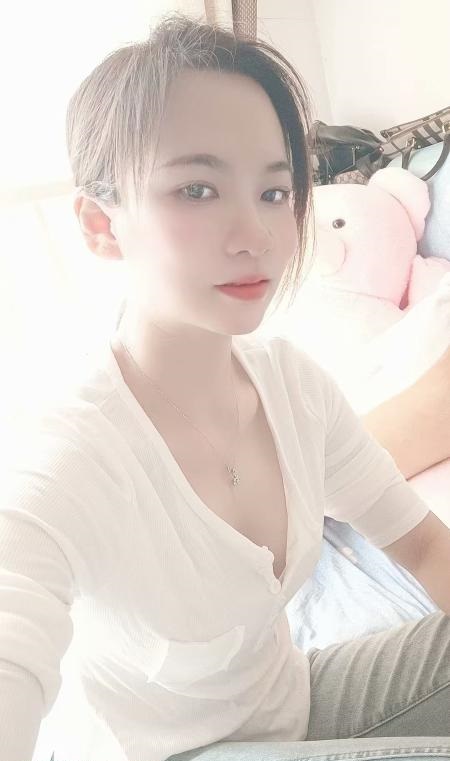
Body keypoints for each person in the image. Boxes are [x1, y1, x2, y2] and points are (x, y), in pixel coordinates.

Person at [0, 12, 449, 761]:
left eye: (274, 192)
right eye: (197, 189)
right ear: (101, 224)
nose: (255, 235)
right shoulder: (69, 449)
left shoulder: (293, 386)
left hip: (294, 705)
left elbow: (424, 544)